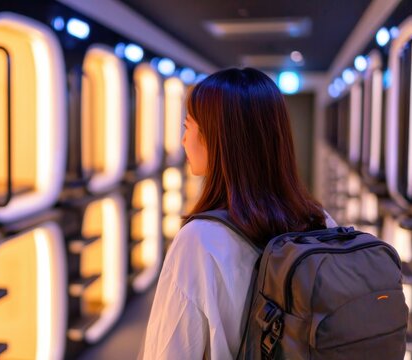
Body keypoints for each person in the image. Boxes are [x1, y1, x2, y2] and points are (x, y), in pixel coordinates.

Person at [140, 68, 336, 359]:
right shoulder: (322, 222)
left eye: (187, 126)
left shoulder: (198, 241)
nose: (183, 140)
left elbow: (170, 350)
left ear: (216, 139)